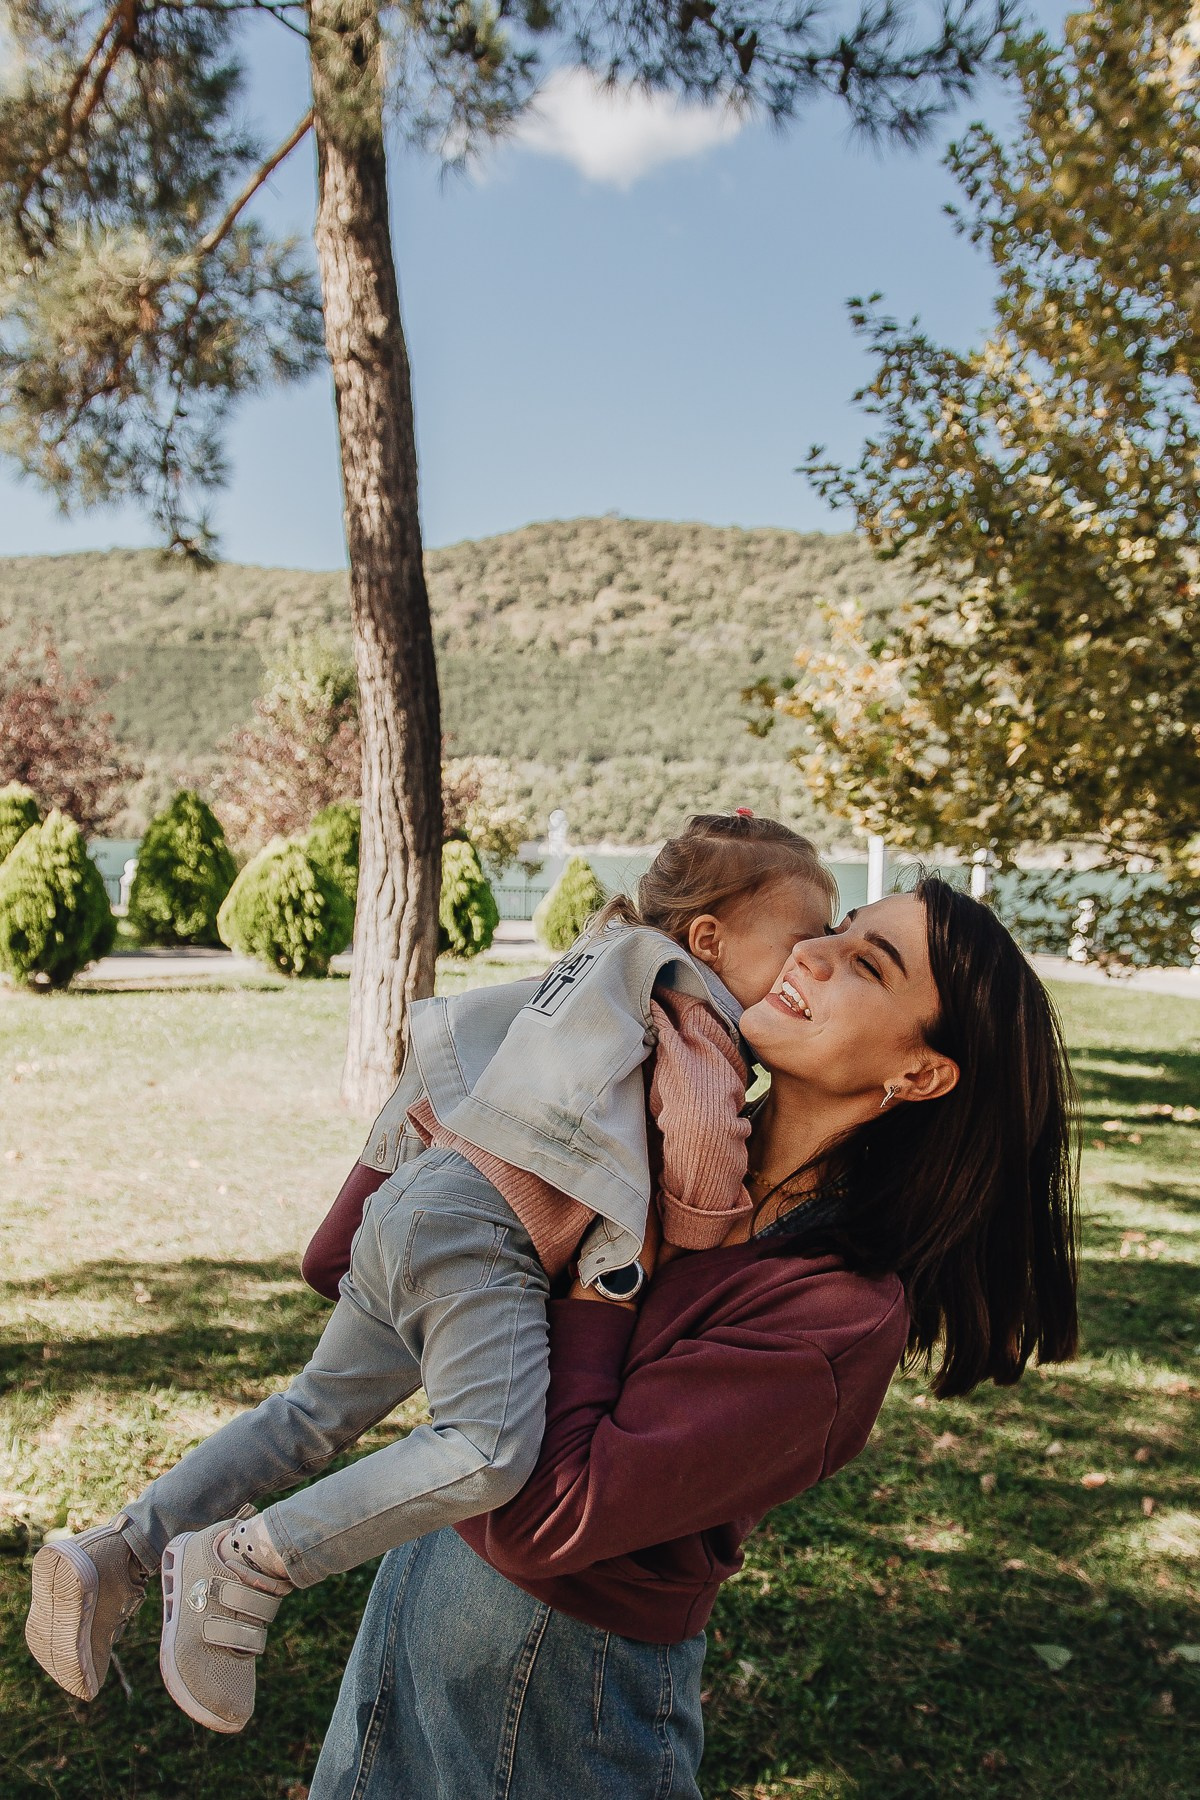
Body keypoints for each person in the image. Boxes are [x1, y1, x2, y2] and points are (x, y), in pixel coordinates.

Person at [25, 814, 837, 1733]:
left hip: (417, 1199)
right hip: (486, 1232)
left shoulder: (589, 970)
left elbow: (446, 1060)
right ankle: (247, 1563)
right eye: (806, 941)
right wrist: (710, 1234)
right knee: (486, 1450)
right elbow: (696, 1135)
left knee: (306, 1415)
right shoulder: (695, 1006)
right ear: (708, 939)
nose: (814, 962)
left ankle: (116, 1554)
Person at [306, 878, 1080, 1799]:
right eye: (838, 930)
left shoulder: (839, 1315)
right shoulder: (661, 1124)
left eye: (868, 964)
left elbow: (543, 1518)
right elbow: (346, 1264)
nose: (812, 953)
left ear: (919, 1074)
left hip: (556, 1693)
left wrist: (608, 1273)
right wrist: (482, 1076)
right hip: (417, 1595)